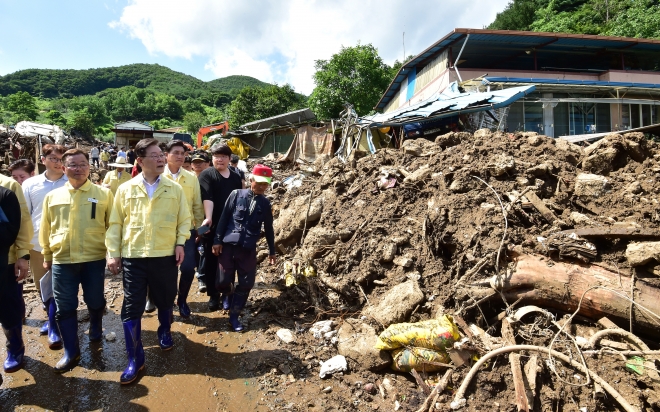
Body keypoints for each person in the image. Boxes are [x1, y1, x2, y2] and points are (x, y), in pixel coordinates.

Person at [106, 138, 191, 384]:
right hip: (134, 256)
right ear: (140, 161)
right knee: (131, 306)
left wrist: (180, 242)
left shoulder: (174, 188)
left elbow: (184, 219)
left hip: (164, 255)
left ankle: (164, 330)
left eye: (161, 155)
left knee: (165, 298)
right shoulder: (125, 189)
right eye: (155, 156)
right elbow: (115, 224)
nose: (161, 159)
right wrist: (113, 252)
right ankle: (136, 358)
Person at [39, 149, 113, 372]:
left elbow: (112, 227)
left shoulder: (103, 194)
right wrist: (46, 255)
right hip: (63, 260)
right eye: (73, 165)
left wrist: (112, 254)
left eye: (82, 164)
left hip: (93, 258)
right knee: (64, 307)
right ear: (64, 168)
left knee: (94, 299)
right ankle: (72, 352)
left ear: (89, 167)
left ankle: (96, 328)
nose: (78, 168)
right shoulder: (53, 197)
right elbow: (46, 228)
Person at [212, 164, 276, 332]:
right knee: (222, 282)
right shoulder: (236, 195)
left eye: (265, 184)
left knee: (247, 283)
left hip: (247, 249)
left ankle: (234, 316)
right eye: (259, 182)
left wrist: (272, 251)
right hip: (228, 246)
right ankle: (227, 293)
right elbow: (224, 218)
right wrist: (217, 241)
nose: (262, 187)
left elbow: (269, 229)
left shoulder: (265, 204)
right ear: (251, 179)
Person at [22, 144, 68, 349]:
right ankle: (52, 319)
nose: (59, 163)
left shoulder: (72, 182)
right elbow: (25, 216)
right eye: (54, 159)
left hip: (65, 245)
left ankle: (54, 325)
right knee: (43, 285)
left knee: (61, 286)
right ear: (43, 160)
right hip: (38, 244)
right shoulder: (31, 184)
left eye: (62, 159)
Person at [161, 140, 204, 318]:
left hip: (187, 232)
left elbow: (197, 206)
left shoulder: (191, 177)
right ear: (166, 155)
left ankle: (182, 301)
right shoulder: (159, 176)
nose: (180, 156)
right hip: (163, 232)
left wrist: (199, 231)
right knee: (165, 271)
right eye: (176, 153)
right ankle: (166, 303)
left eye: (182, 153)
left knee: (187, 268)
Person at [198, 144, 243, 311]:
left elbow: (240, 199)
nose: (220, 159)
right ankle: (213, 295)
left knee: (229, 260)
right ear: (212, 158)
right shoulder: (207, 174)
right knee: (211, 260)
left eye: (224, 156)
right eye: (217, 156)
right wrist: (208, 217)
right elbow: (207, 197)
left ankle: (226, 291)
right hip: (211, 224)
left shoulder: (235, 177)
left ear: (229, 158)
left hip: (231, 225)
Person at [0, 174, 33, 376]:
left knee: (8, 305)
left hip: (5, 259)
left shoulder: (8, 185)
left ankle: (15, 347)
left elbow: (21, 221)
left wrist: (22, 255)